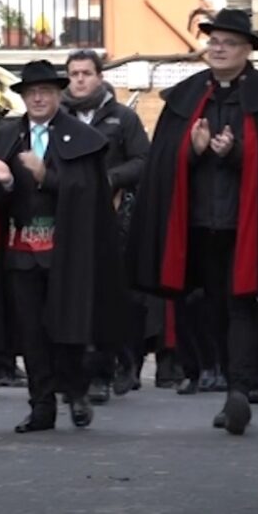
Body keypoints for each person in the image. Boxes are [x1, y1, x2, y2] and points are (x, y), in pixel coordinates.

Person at [128, 8, 258, 435]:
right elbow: (162, 164)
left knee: (241, 306)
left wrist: (236, 153)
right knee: (211, 308)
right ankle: (232, 384)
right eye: (212, 42)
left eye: (228, 43)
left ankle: (239, 392)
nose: (218, 48)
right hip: (196, 226)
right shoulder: (185, 97)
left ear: (248, 50)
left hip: (247, 227)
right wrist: (191, 151)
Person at [0, 60, 127, 433]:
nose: (39, 97)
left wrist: (47, 177)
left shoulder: (82, 137)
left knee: (66, 331)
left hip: (64, 253)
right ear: (23, 97)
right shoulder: (5, 136)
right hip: (21, 251)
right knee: (31, 334)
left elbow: (90, 194)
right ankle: (41, 407)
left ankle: (75, 391)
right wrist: (5, 183)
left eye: (47, 91)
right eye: (32, 92)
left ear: (58, 95)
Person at [61, 49, 151, 403]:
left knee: (110, 296)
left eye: (86, 73)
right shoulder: (58, 117)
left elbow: (144, 160)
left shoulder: (122, 118)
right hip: (66, 219)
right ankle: (78, 374)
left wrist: (110, 179)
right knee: (73, 298)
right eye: (74, 73)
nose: (80, 79)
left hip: (112, 219)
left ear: (99, 76)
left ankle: (113, 365)